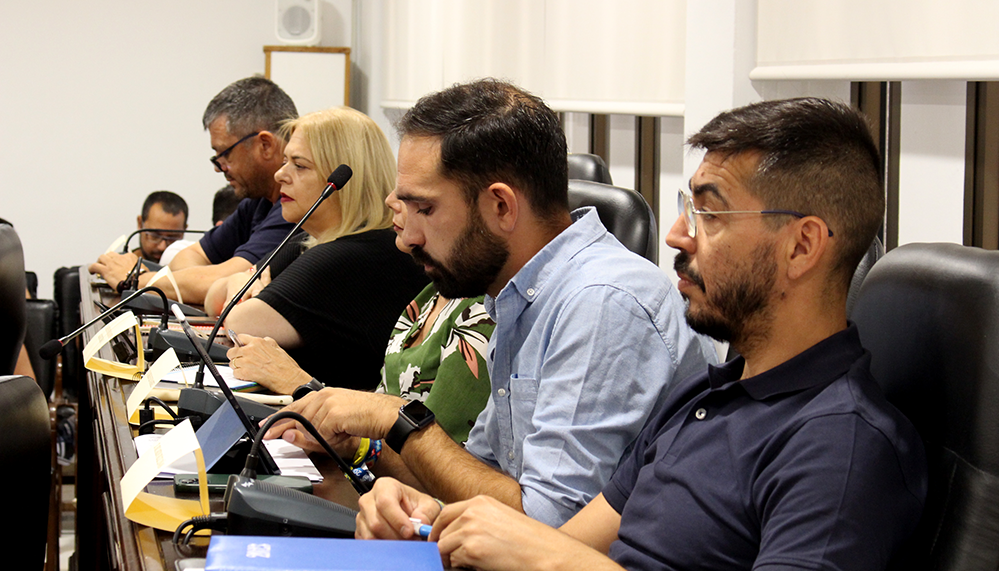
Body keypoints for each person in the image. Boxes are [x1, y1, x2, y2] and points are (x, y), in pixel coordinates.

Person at [372, 98, 929, 571]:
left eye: (711, 215)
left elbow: (554, 555)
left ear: (801, 246)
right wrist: (432, 524)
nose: (678, 234)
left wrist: (549, 557)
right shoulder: (706, 397)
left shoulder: (841, 445)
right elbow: (557, 541)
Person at [267, 79, 714, 527]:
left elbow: (547, 525)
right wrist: (362, 446)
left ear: (501, 206)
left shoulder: (602, 305)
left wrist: (397, 418)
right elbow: (480, 476)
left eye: (425, 209)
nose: (408, 239)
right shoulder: (520, 297)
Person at [228, 188, 495, 447]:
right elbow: (384, 407)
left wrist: (301, 386)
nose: (390, 200)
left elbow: (439, 458)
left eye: (421, 202)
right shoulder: (429, 296)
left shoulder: (477, 308)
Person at [205, 107, 429, 392]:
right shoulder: (309, 240)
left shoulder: (352, 256)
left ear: (345, 181)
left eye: (299, 166)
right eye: (285, 162)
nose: (280, 175)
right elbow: (214, 297)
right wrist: (241, 279)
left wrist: (246, 286)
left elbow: (237, 322)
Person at [90, 76, 297, 304]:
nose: (219, 168)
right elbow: (190, 258)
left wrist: (136, 280)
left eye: (224, 154)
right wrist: (196, 282)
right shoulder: (258, 202)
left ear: (265, 145)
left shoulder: (296, 208)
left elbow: (232, 282)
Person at [133, 191, 188, 263]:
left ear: (184, 230)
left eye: (172, 237)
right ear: (140, 224)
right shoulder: (120, 266)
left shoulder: (193, 268)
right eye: (155, 236)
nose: (162, 247)